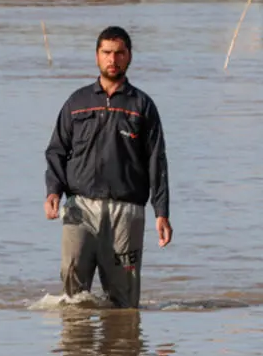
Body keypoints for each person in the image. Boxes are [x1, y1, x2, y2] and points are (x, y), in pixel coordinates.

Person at [44, 26, 172, 309]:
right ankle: (77, 351)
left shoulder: (142, 106)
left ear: (129, 57)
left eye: (119, 53)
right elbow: (57, 150)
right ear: (97, 57)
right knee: (73, 294)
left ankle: (122, 351)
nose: (112, 59)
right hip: (79, 207)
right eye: (106, 53)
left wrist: (161, 212)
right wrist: (53, 191)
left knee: (125, 301)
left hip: (125, 212)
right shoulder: (77, 102)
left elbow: (157, 161)